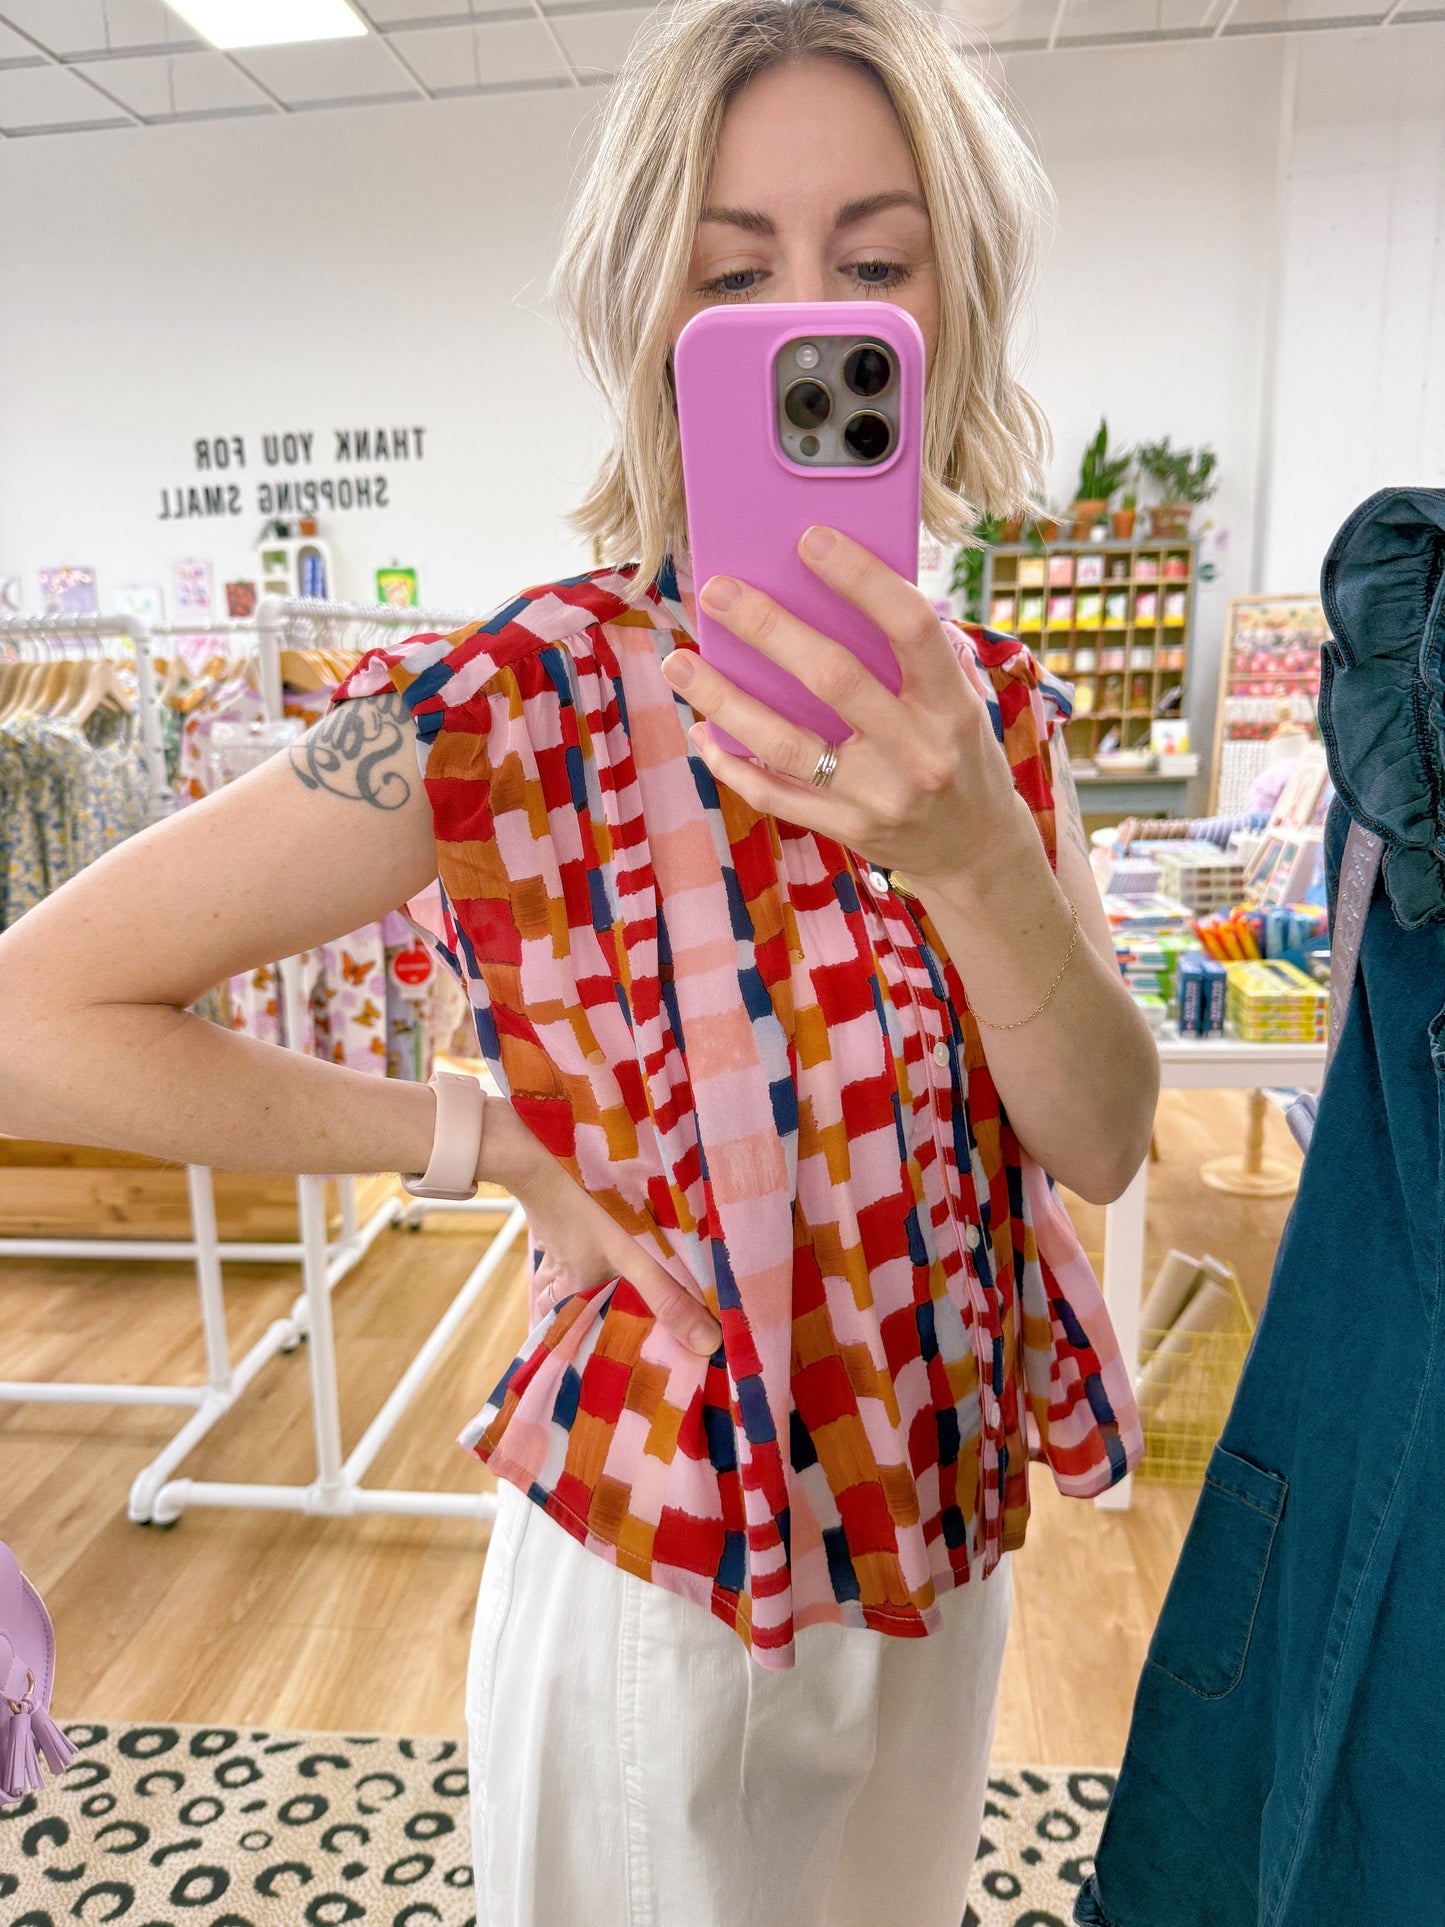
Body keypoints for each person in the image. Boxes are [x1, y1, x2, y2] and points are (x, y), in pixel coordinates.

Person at [0, 2, 1159, 1921]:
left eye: (874, 264)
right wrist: (479, 1141)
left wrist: (972, 851)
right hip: (666, 1573)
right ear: (644, 317)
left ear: (955, 304)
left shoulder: (999, 721)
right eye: (733, 274)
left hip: (942, 1539)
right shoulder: (517, 703)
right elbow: (32, 1012)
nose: (810, 323)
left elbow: (1101, 1140)